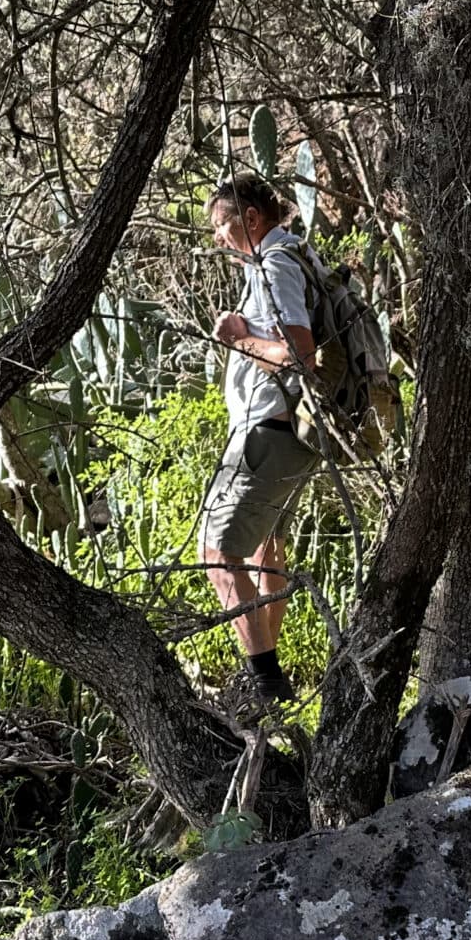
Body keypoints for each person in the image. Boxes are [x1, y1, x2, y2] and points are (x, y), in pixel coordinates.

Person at [198, 172, 321, 704]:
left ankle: (264, 682)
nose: (220, 240)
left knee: (216, 553)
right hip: (292, 435)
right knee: (265, 552)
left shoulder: (276, 264)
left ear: (251, 219)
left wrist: (239, 337)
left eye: (223, 227)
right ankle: (270, 682)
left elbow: (299, 354)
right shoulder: (296, 258)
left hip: (268, 431)